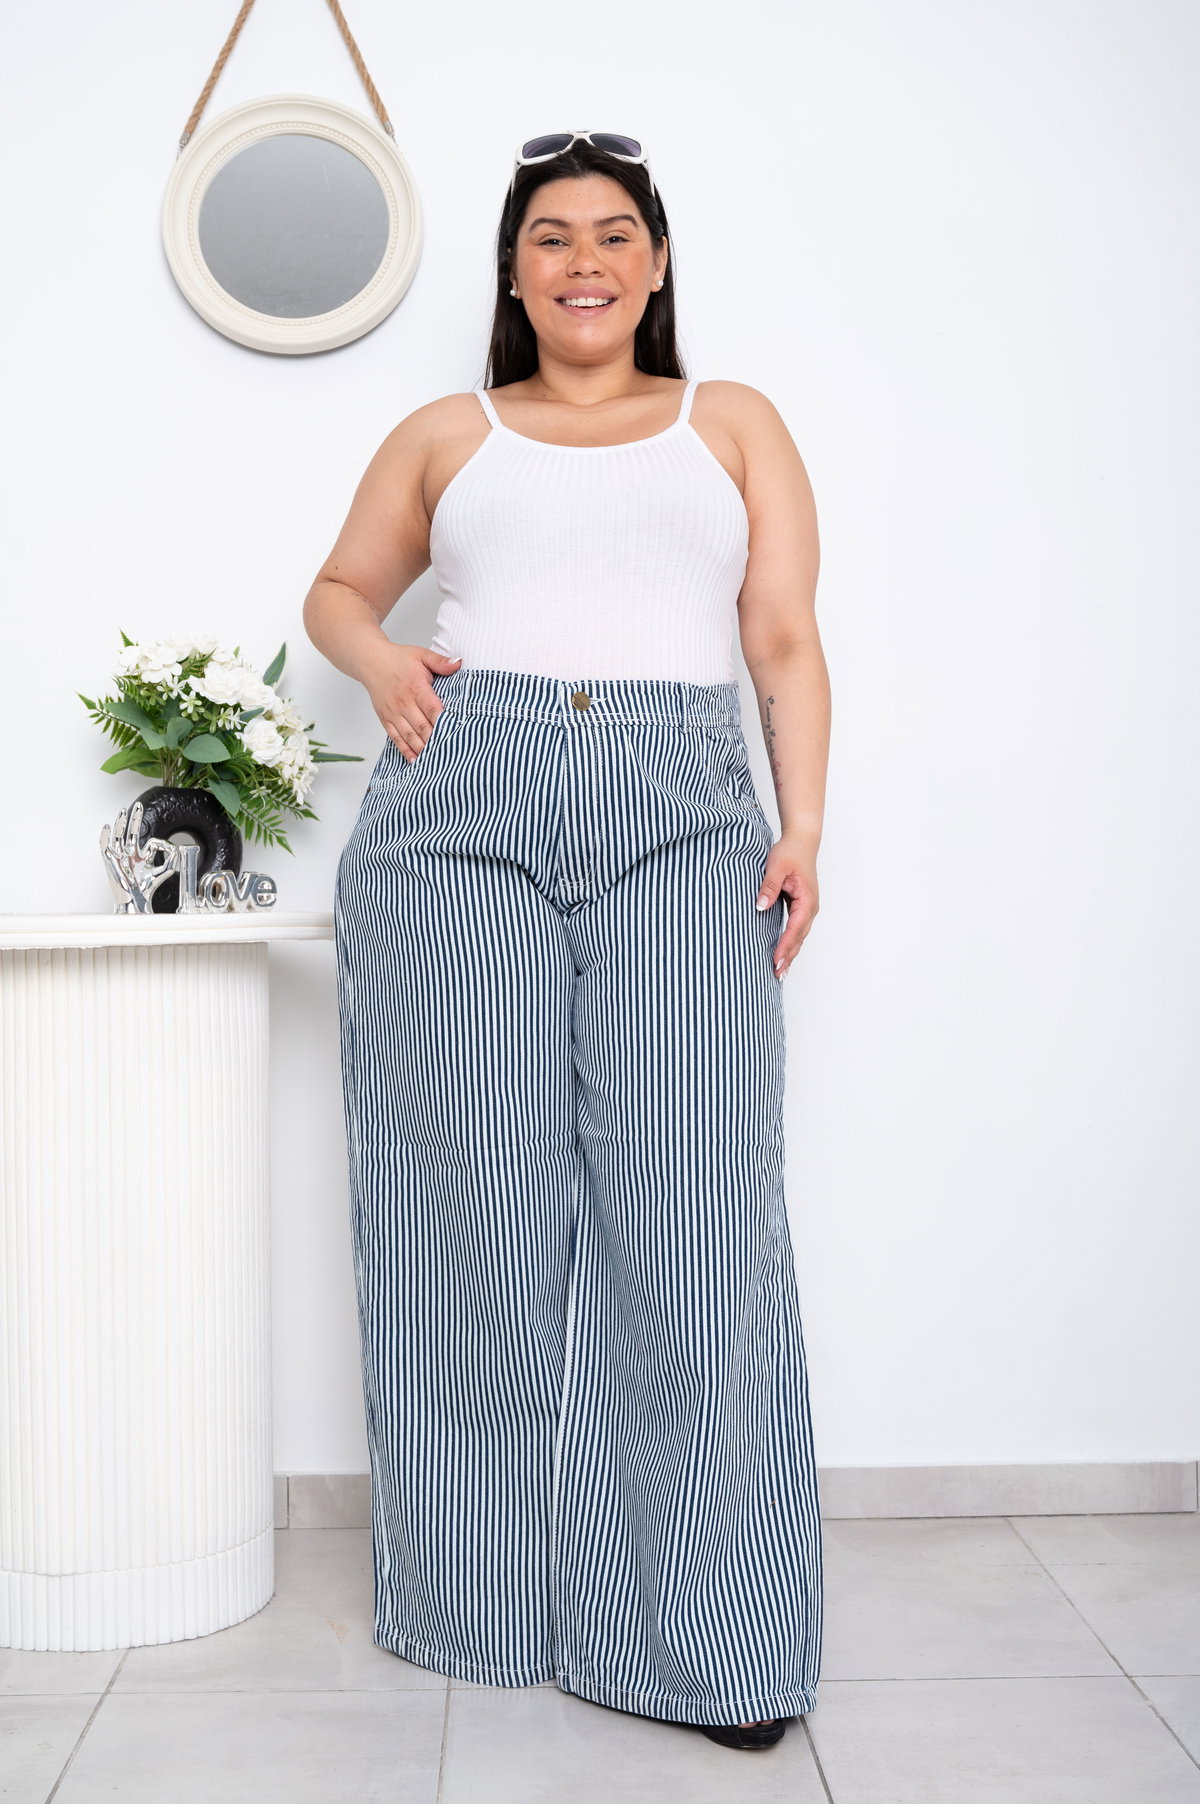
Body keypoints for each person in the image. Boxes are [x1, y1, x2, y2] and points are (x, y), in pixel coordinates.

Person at [303, 130, 830, 1754]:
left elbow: (785, 639)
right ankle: (476, 1603)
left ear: (655, 266)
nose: (583, 259)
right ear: (515, 272)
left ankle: (710, 1641)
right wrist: (381, 663)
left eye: (613, 234)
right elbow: (339, 592)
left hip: (683, 811)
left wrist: (802, 825)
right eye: (551, 236)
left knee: (693, 1212)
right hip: (463, 811)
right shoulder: (445, 433)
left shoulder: (730, 422)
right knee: (465, 1204)